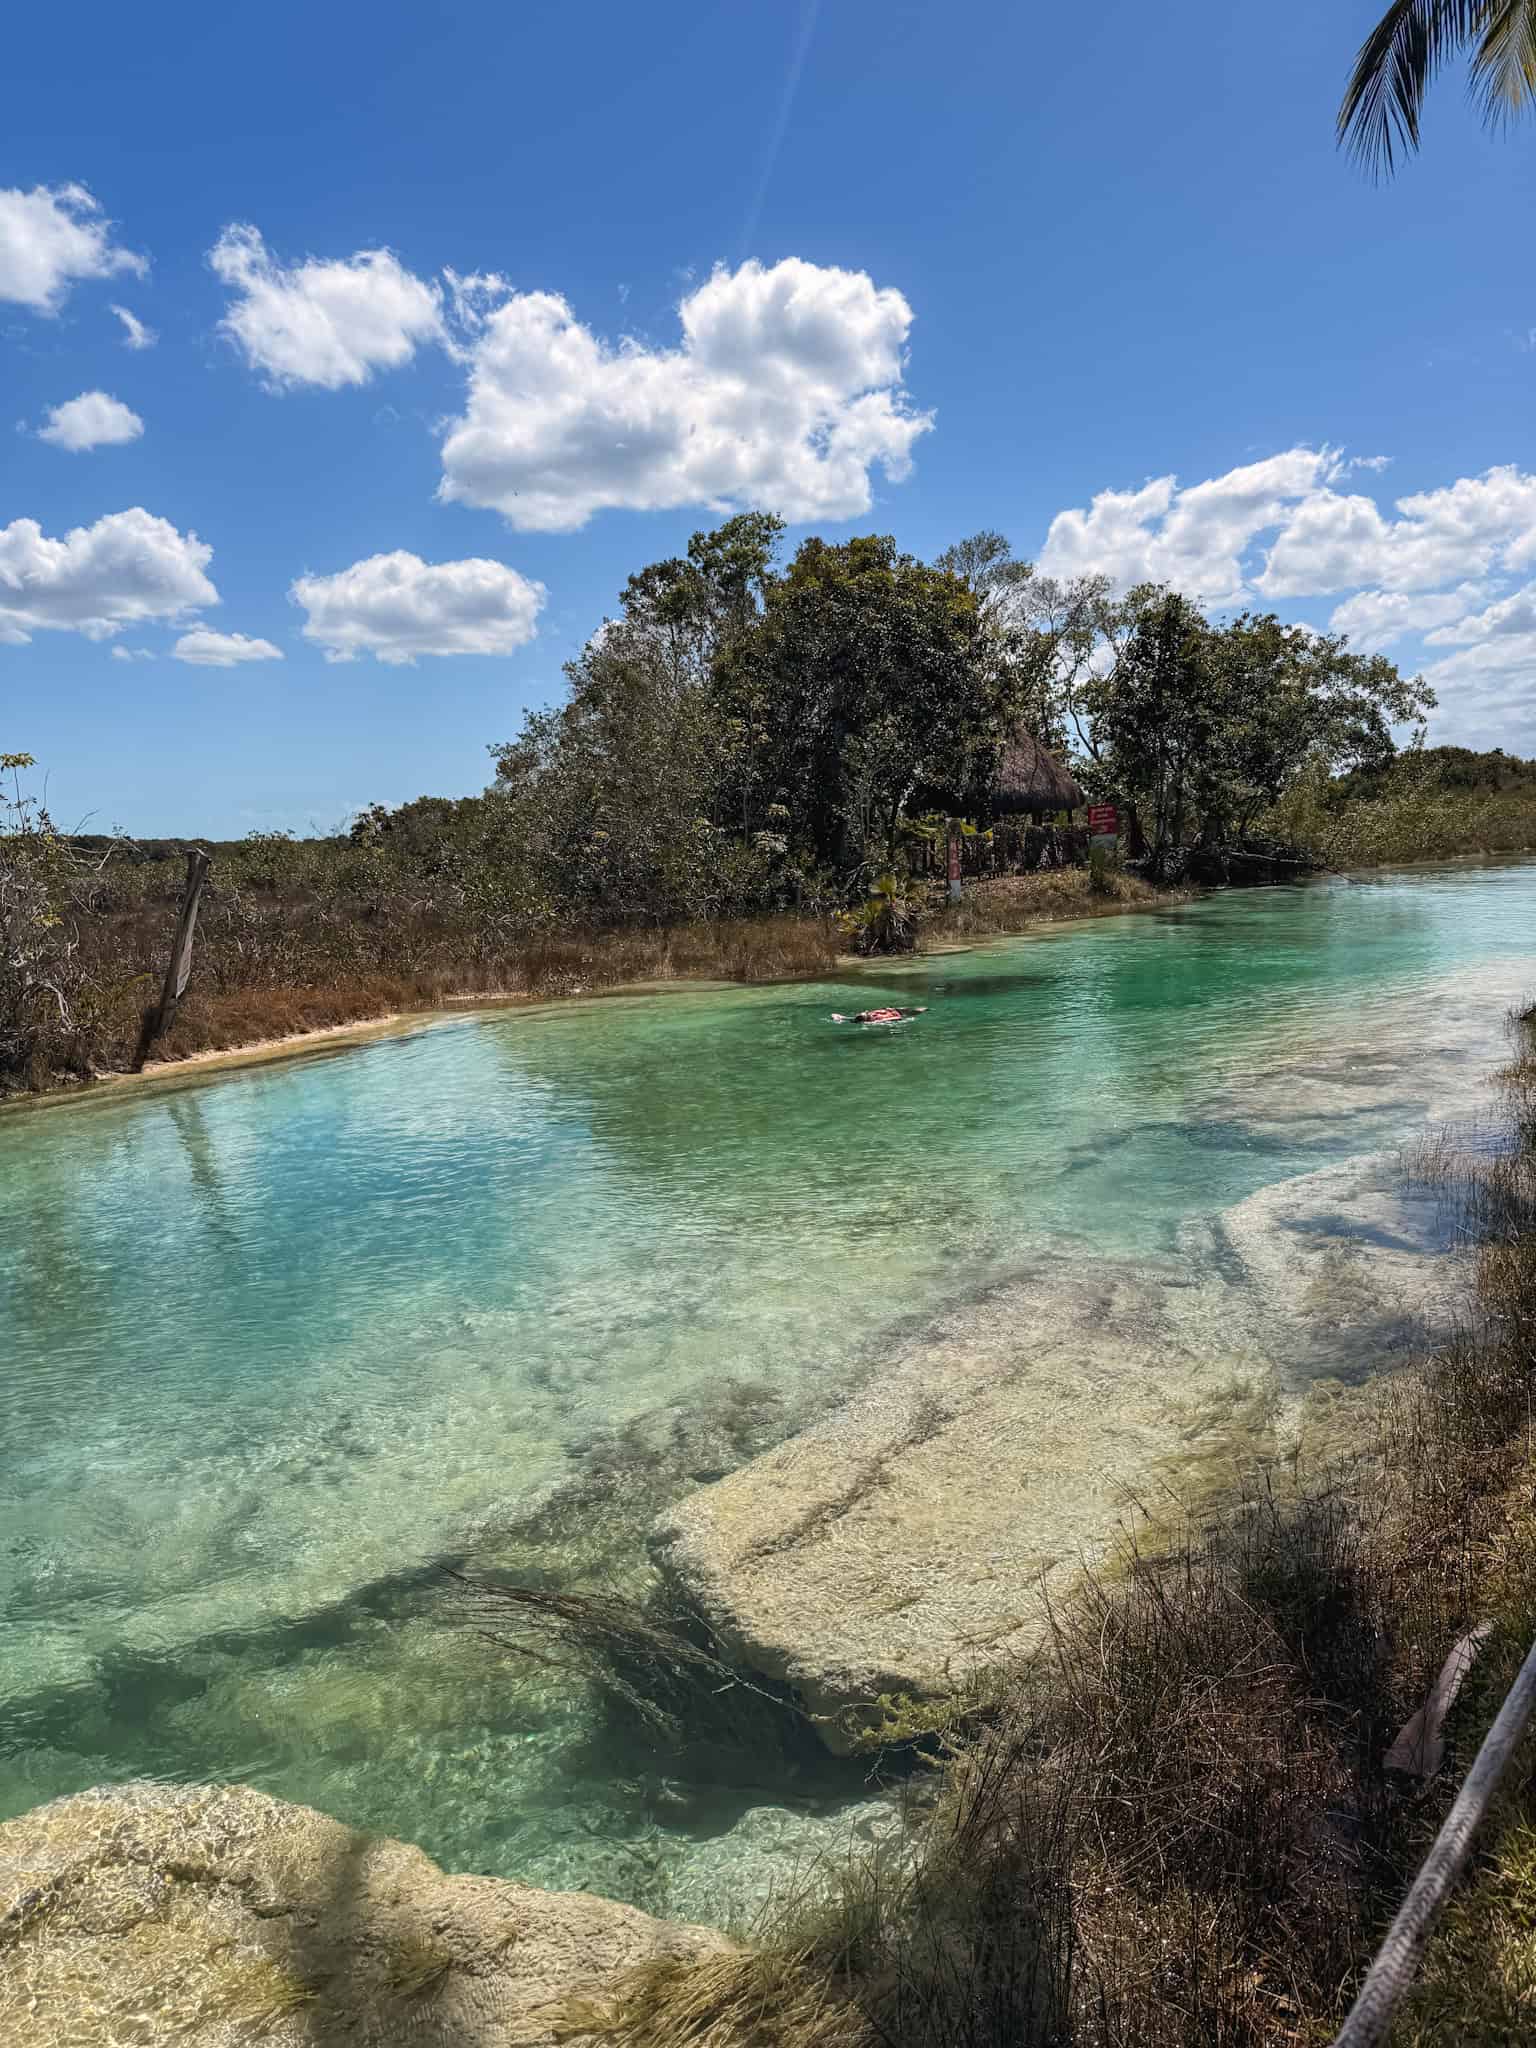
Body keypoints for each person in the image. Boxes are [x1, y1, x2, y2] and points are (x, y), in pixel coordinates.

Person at [830, 1005, 927, 1024]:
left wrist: (837, 1018)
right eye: (866, 1013)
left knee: (923, 1008)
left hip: (894, 1009)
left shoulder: (855, 1018)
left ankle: (927, 1009)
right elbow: (897, 1018)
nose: (866, 1011)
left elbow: (834, 1014)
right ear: (867, 1018)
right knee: (921, 1010)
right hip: (898, 1012)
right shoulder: (876, 1020)